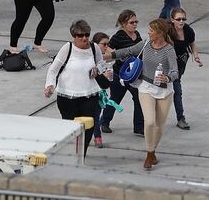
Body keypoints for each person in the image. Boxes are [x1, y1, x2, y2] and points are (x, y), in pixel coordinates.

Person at [104, 18, 179, 170]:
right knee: (150, 122)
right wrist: (105, 56)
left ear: (160, 33)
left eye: (152, 30)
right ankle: (149, 154)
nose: (149, 32)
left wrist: (168, 77)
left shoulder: (169, 49)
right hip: (146, 87)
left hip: (164, 90)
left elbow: (175, 71)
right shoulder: (145, 44)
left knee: (159, 126)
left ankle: (152, 151)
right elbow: (127, 51)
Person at [44, 20, 111, 156]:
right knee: (70, 129)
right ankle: (70, 155)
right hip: (67, 98)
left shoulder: (94, 48)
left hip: (90, 96)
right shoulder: (67, 49)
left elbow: (101, 64)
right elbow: (53, 70)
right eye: (80, 35)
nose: (84, 38)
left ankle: (81, 155)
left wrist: (97, 70)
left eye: (87, 35)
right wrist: (49, 86)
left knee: (88, 128)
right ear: (74, 36)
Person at [98, 9, 145, 137]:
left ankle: (139, 127)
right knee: (115, 99)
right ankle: (104, 122)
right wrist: (121, 56)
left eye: (136, 22)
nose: (135, 24)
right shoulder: (118, 36)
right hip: (120, 74)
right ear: (123, 23)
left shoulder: (137, 34)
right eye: (131, 22)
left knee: (138, 98)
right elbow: (108, 52)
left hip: (134, 75)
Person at [168, 7, 202, 130]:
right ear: (172, 20)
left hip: (180, 64)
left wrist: (196, 56)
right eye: (178, 19)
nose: (181, 22)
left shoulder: (188, 30)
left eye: (183, 19)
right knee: (170, 91)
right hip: (167, 66)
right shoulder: (168, 32)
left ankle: (180, 118)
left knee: (177, 91)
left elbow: (192, 43)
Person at [91, 32, 110, 148]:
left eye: (108, 44)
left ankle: (96, 136)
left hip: (99, 91)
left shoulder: (103, 59)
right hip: (89, 91)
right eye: (104, 44)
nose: (106, 47)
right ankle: (97, 136)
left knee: (96, 114)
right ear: (96, 45)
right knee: (95, 114)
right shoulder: (90, 58)